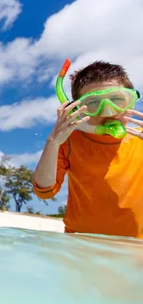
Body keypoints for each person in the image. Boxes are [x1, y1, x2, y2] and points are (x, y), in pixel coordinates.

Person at [32, 60, 143, 238]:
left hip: (135, 248)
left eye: (116, 99)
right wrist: (52, 142)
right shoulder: (67, 142)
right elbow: (44, 191)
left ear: (132, 102)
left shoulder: (140, 139)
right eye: (93, 103)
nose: (107, 111)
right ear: (77, 109)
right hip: (81, 246)